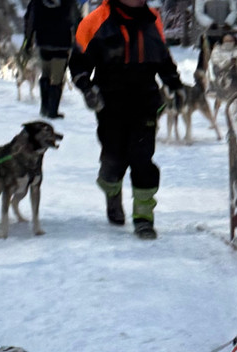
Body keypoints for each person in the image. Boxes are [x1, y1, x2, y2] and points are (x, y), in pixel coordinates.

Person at [70, 0, 185, 240]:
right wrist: (87, 88)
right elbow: (78, 63)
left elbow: (162, 56)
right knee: (114, 159)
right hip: (110, 103)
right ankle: (111, 189)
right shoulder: (94, 21)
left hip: (145, 101)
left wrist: (175, 83)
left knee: (142, 158)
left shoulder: (153, 19)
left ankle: (144, 217)